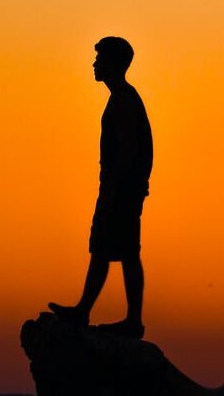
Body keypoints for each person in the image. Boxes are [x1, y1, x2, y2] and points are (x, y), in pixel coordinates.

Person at [48, 36, 153, 338]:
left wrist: (112, 190)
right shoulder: (123, 98)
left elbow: (129, 150)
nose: (94, 64)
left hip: (120, 190)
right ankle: (85, 310)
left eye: (100, 59)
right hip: (123, 189)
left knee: (123, 252)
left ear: (114, 64)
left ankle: (130, 320)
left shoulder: (122, 99)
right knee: (104, 250)